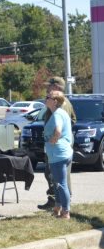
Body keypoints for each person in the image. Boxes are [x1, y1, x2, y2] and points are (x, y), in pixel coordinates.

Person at [37, 77, 76, 210]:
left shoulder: (62, 105)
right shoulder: (57, 104)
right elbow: (73, 120)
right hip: (58, 144)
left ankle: (63, 203)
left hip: (59, 146)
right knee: (52, 173)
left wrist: (55, 139)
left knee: (58, 175)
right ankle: (57, 202)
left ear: (57, 88)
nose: (47, 90)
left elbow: (61, 126)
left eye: (50, 87)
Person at [43, 92, 73, 219]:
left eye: (48, 97)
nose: (45, 99)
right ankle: (58, 207)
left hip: (58, 154)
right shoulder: (60, 113)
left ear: (55, 101)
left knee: (60, 183)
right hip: (61, 153)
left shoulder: (57, 115)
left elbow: (58, 131)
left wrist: (53, 140)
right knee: (56, 182)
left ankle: (66, 212)